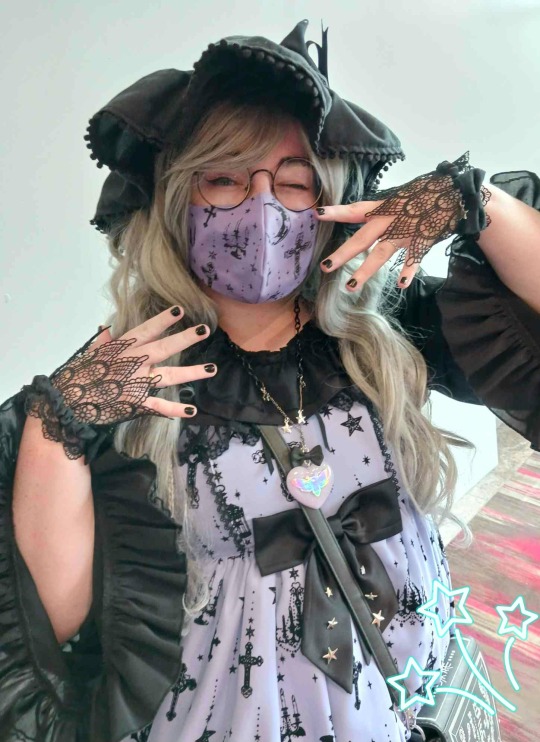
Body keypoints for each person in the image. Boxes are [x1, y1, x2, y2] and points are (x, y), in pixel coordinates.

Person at [1, 18, 539, 742]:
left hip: (397, 699)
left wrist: (472, 202)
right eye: (224, 179)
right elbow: (60, 617)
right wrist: (57, 423)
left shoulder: (382, 334)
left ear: (328, 202)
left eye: (293, 183)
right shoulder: (133, 372)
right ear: (177, 199)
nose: (262, 210)